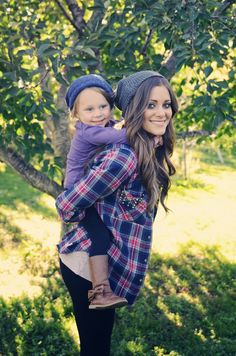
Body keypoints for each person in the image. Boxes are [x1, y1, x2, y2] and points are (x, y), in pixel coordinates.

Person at [56, 70, 178, 356]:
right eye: (151, 105)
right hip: (84, 266)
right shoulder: (124, 158)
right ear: (134, 109)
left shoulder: (147, 147)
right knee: (96, 349)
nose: (162, 112)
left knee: (99, 346)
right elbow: (65, 206)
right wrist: (91, 218)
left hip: (106, 266)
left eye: (166, 104)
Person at [63, 74, 128, 309]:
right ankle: (100, 292)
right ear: (76, 114)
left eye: (103, 106)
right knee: (99, 235)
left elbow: (118, 130)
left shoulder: (104, 125)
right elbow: (123, 136)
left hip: (90, 190)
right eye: (89, 109)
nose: (98, 113)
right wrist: (149, 137)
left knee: (106, 232)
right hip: (78, 194)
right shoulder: (89, 132)